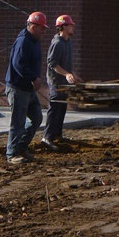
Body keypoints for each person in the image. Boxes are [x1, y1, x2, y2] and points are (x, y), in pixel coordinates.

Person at [5, 11, 47, 164]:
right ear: (33, 26)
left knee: (36, 118)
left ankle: (21, 147)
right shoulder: (23, 42)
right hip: (18, 88)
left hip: (28, 89)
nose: (43, 31)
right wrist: (33, 78)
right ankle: (12, 154)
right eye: (41, 28)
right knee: (18, 122)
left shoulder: (34, 41)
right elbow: (18, 64)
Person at [43, 14, 83, 151]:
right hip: (56, 82)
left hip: (64, 82)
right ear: (63, 27)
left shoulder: (68, 42)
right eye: (70, 25)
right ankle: (47, 137)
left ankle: (57, 135)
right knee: (54, 109)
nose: (73, 27)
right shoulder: (58, 43)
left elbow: (67, 64)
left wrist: (74, 75)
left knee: (62, 109)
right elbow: (52, 63)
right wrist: (66, 74)